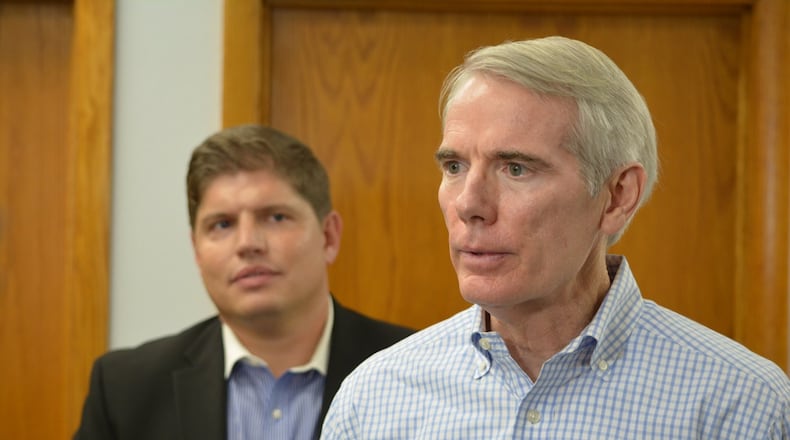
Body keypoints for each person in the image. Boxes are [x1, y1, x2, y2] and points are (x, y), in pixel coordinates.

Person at [321, 36, 790, 439]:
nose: (469, 204)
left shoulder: (740, 405)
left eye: (516, 168)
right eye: (455, 166)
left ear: (617, 196)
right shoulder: (374, 400)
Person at [74, 124, 413, 440]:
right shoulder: (125, 388)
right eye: (222, 225)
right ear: (196, 250)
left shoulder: (415, 372)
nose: (248, 243)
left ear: (328, 237)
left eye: (276, 217)